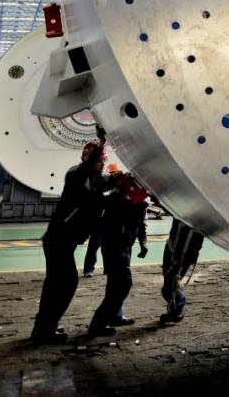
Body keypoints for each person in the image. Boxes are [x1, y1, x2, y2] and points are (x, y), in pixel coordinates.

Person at [30, 140, 114, 343]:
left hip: (62, 241)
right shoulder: (76, 176)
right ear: (89, 160)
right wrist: (99, 146)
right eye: (100, 161)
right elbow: (93, 191)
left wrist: (127, 177)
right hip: (58, 241)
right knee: (66, 283)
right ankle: (45, 329)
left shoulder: (94, 180)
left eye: (103, 161)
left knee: (55, 285)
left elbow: (107, 182)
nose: (102, 164)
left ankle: (44, 328)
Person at [87, 172, 149, 338]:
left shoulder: (132, 202)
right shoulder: (114, 200)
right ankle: (98, 324)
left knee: (114, 285)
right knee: (123, 284)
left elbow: (139, 222)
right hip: (115, 248)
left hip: (123, 247)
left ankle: (112, 317)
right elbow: (126, 211)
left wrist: (143, 241)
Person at [160, 216, 205, 324]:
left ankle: (178, 310)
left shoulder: (200, 217)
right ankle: (174, 311)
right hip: (171, 250)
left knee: (170, 286)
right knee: (169, 284)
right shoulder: (181, 212)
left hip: (182, 255)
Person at [83, 163, 122, 278]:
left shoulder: (119, 187)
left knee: (108, 246)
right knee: (95, 245)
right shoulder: (103, 185)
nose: (115, 175)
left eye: (117, 173)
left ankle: (107, 268)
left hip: (111, 221)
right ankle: (89, 269)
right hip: (100, 220)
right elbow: (100, 199)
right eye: (113, 173)